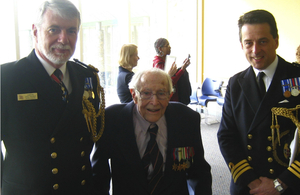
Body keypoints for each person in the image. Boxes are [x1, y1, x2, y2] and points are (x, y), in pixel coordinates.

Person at [1, 0, 106, 194]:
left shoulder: (87, 76)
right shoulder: (6, 78)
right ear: (35, 32)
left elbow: (95, 137)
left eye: (71, 31)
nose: (63, 39)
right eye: (54, 30)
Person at [217, 9, 300, 195]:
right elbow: (226, 136)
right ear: (242, 45)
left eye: (263, 41)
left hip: (290, 185)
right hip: (248, 185)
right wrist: (252, 182)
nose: (255, 50)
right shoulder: (235, 83)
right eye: (249, 43)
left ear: (276, 41)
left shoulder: (297, 78)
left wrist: (280, 184)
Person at [93, 68, 212, 195]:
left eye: (161, 93)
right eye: (146, 93)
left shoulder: (187, 119)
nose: (154, 102)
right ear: (134, 95)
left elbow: (199, 171)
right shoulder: (112, 119)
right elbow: (99, 173)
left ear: (169, 95)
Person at [153, 38, 192, 105]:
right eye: (167, 45)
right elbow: (169, 82)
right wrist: (182, 69)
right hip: (170, 100)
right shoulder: (159, 64)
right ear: (160, 49)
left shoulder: (165, 61)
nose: (169, 47)